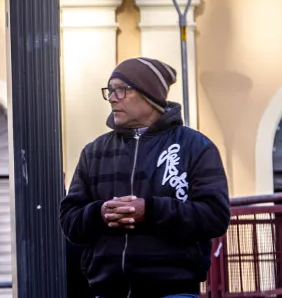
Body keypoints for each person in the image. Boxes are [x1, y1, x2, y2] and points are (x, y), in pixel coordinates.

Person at [60, 57, 231, 298]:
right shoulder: (94, 152)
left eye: (121, 89)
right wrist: (100, 213)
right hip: (107, 292)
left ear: (150, 95)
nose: (112, 98)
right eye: (109, 91)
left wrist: (150, 210)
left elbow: (215, 216)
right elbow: (69, 220)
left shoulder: (196, 147)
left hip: (174, 292)